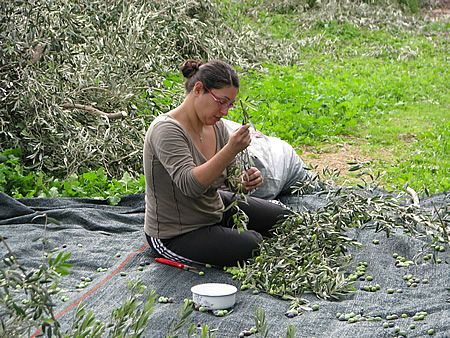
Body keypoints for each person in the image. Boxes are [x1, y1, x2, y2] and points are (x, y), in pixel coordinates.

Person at [143, 59, 290, 267]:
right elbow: (190, 186)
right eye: (221, 102)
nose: (224, 112)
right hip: (177, 232)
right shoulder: (167, 130)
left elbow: (229, 178)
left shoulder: (216, 126)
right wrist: (231, 149)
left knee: (283, 218)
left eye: (230, 105)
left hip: (213, 209)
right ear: (198, 89)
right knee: (254, 244)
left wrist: (243, 181)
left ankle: (227, 233)